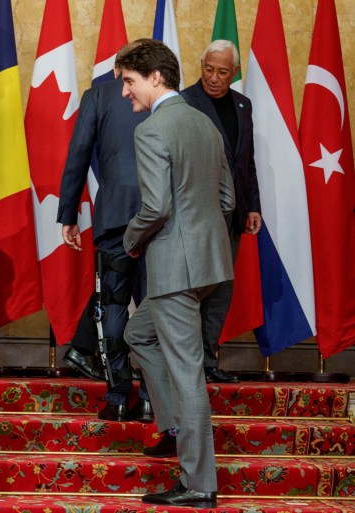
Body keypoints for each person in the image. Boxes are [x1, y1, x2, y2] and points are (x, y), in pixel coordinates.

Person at [117, 40, 235, 508]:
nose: (126, 92)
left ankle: (199, 484)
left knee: (187, 373)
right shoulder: (205, 122)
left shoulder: (151, 130)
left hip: (174, 267)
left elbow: (155, 207)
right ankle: (174, 429)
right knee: (138, 333)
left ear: (156, 78)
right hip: (210, 265)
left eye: (129, 81)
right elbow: (227, 200)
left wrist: (128, 243)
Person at [58, 41, 153, 423]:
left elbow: (78, 154)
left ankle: (116, 397)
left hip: (115, 217)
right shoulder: (174, 100)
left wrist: (68, 213)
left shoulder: (97, 96)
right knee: (155, 309)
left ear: (118, 69)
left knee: (111, 307)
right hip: (161, 219)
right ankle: (149, 399)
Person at [181, 39, 262, 384]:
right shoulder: (185, 101)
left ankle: (208, 359)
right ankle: (188, 362)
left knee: (222, 289)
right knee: (195, 288)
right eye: (208, 69)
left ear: (235, 72)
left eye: (222, 72)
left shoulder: (243, 105)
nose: (213, 78)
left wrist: (253, 206)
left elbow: (247, 162)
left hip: (232, 215)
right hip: (196, 214)